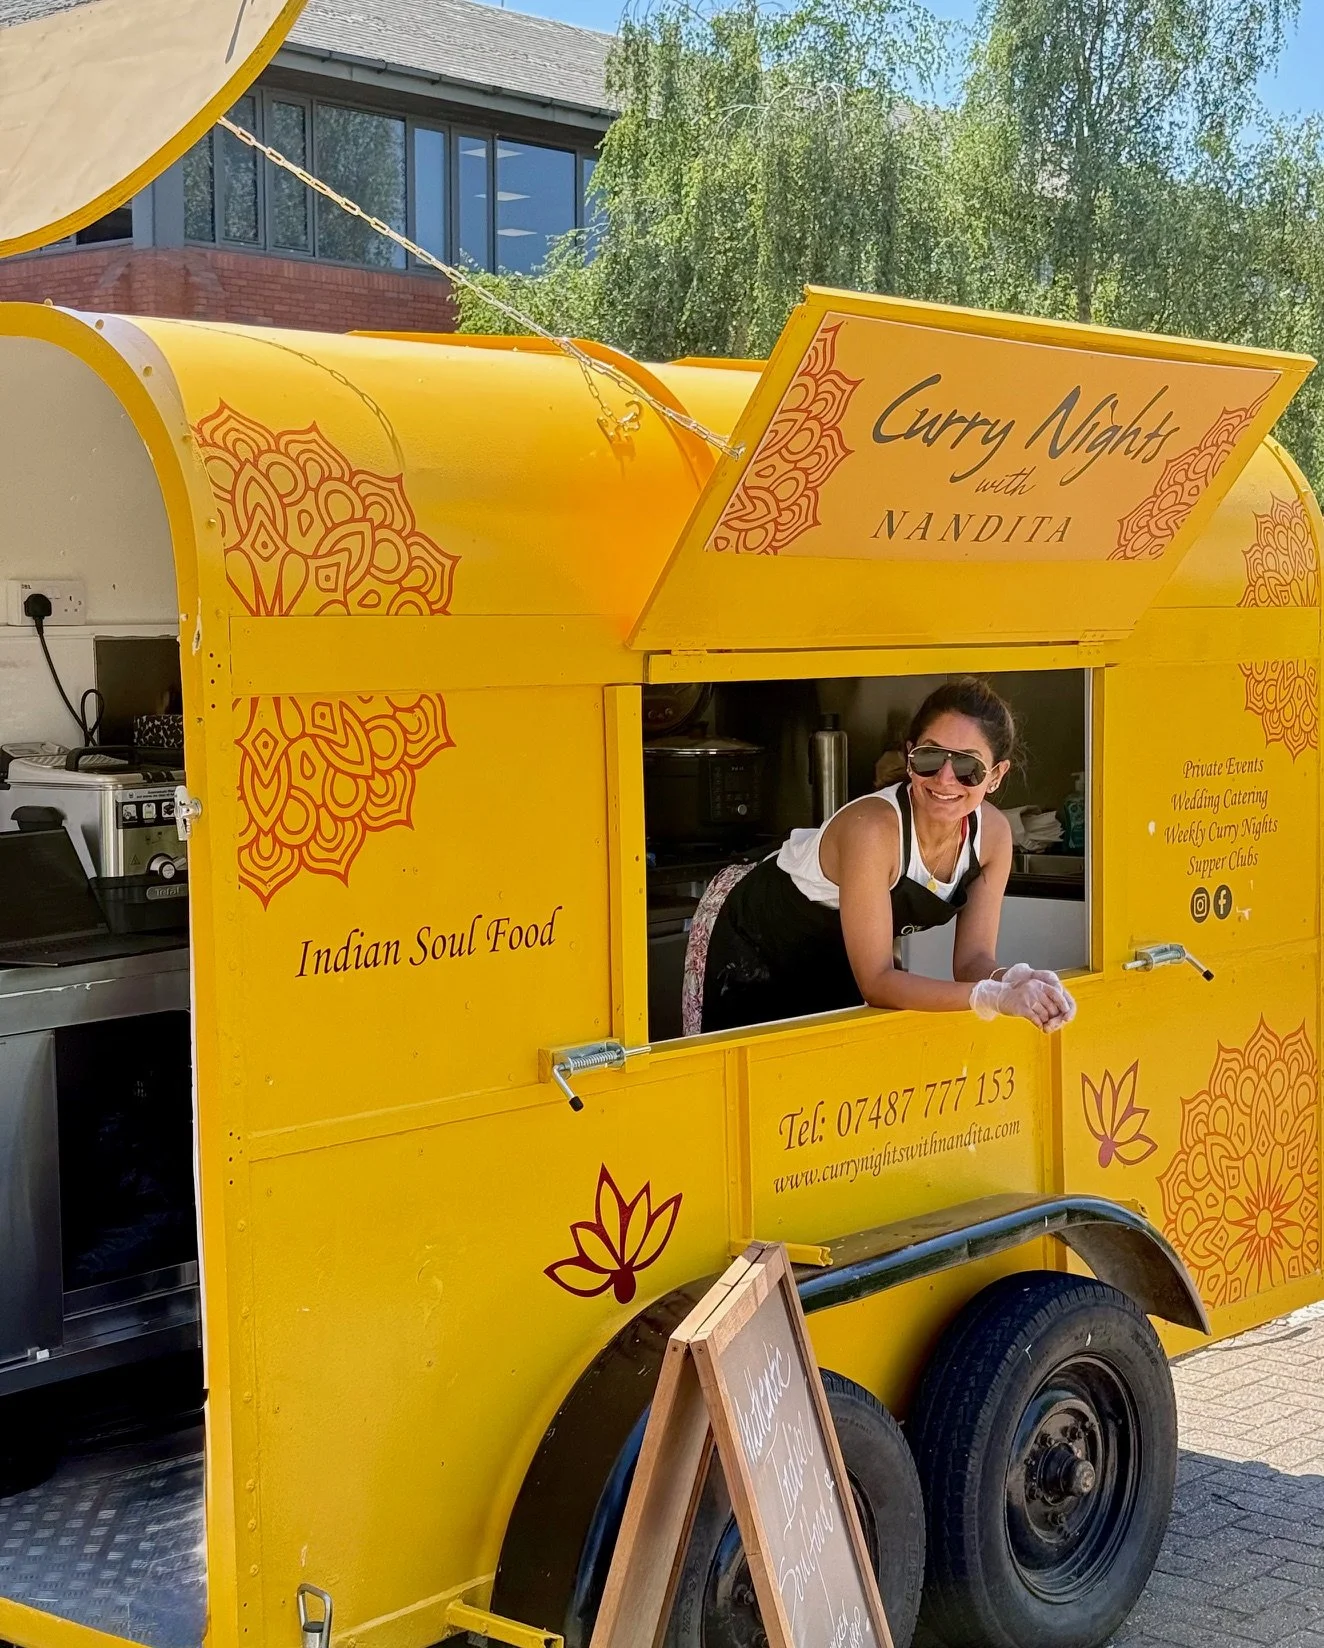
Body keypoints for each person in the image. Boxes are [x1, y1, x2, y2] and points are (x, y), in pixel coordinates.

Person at [683, 678, 1076, 1036]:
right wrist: (988, 998)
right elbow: (877, 982)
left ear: (996, 775)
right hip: (753, 942)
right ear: (909, 756)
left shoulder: (991, 837)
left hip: (837, 956)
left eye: (967, 766)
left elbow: (972, 961)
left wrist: (1013, 982)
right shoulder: (872, 831)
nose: (944, 779)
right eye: (930, 757)